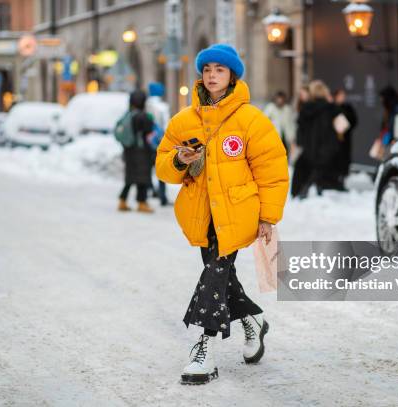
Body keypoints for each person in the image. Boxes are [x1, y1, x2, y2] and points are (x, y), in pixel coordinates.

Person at [155, 43, 289, 385]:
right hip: (202, 215)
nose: (212, 75)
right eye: (208, 69)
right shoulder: (184, 120)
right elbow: (162, 168)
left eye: (220, 70)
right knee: (222, 277)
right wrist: (178, 160)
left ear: (232, 77)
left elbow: (272, 170)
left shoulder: (250, 120)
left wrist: (268, 216)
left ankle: (204, 346)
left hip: (238, 212)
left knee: (214, 275)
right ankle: (253, 321)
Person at [291, 80, 341, 197]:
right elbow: (342, 126)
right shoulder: (331, 108)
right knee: (319, 169)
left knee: (302, 168)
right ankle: (317, 188)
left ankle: (300, 191)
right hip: (326, 147)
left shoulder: (306, 108)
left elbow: (300, 128)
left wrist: (300, 142)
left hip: (309, 148)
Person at [117, 90, 156, 213]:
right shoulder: (143, 116)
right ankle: (142, 202)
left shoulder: (128, 115)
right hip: (141, 151)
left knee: (130, 177)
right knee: (143, 178)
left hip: (129, 150)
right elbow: (149, 130)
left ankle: (122, 201)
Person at [146, 82, 172, 206]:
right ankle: (162, 197)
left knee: (148, 168)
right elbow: (166, 126)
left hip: (147, 141)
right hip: (159, 142)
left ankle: (150, 190)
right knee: (160, 167)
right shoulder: (163, 107)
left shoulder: (145, 105)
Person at [333, 89, 358, 185]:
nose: (342, 98)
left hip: (345, 138)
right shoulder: (332, 107)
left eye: (343, 96)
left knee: (344, 159)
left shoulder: (348, 108)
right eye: (340, 95)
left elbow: (354, 121)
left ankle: (342, 178)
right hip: (333, 139)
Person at [263, 91, 296, 156]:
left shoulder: (287, 109)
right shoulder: (270, 108)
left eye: (281, 99)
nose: (280, 101)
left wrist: (292, 137)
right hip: (274, 136)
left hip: (285, 137)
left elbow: (290, 124)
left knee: (286, 154)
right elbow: (264, 121)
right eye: (278, 99)